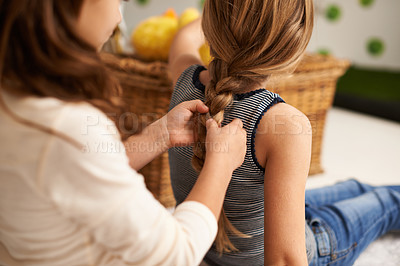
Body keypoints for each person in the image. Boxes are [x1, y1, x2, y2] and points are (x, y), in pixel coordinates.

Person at [0, 0, 247, 265]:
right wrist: (221, 163)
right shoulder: (64, 129)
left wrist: (160, 134)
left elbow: (74, 179)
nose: (120, 14)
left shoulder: (15, 96)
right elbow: (178, 253)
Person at [167, 0, 400, 265]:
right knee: (388, 200)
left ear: (210, 27)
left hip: (205, 244)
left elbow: (184, 37)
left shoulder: (185, 79)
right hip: (312, 246)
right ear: (295, 43)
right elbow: (285, 259)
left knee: (354, 187)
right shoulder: (287, 125)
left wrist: (222, 22)